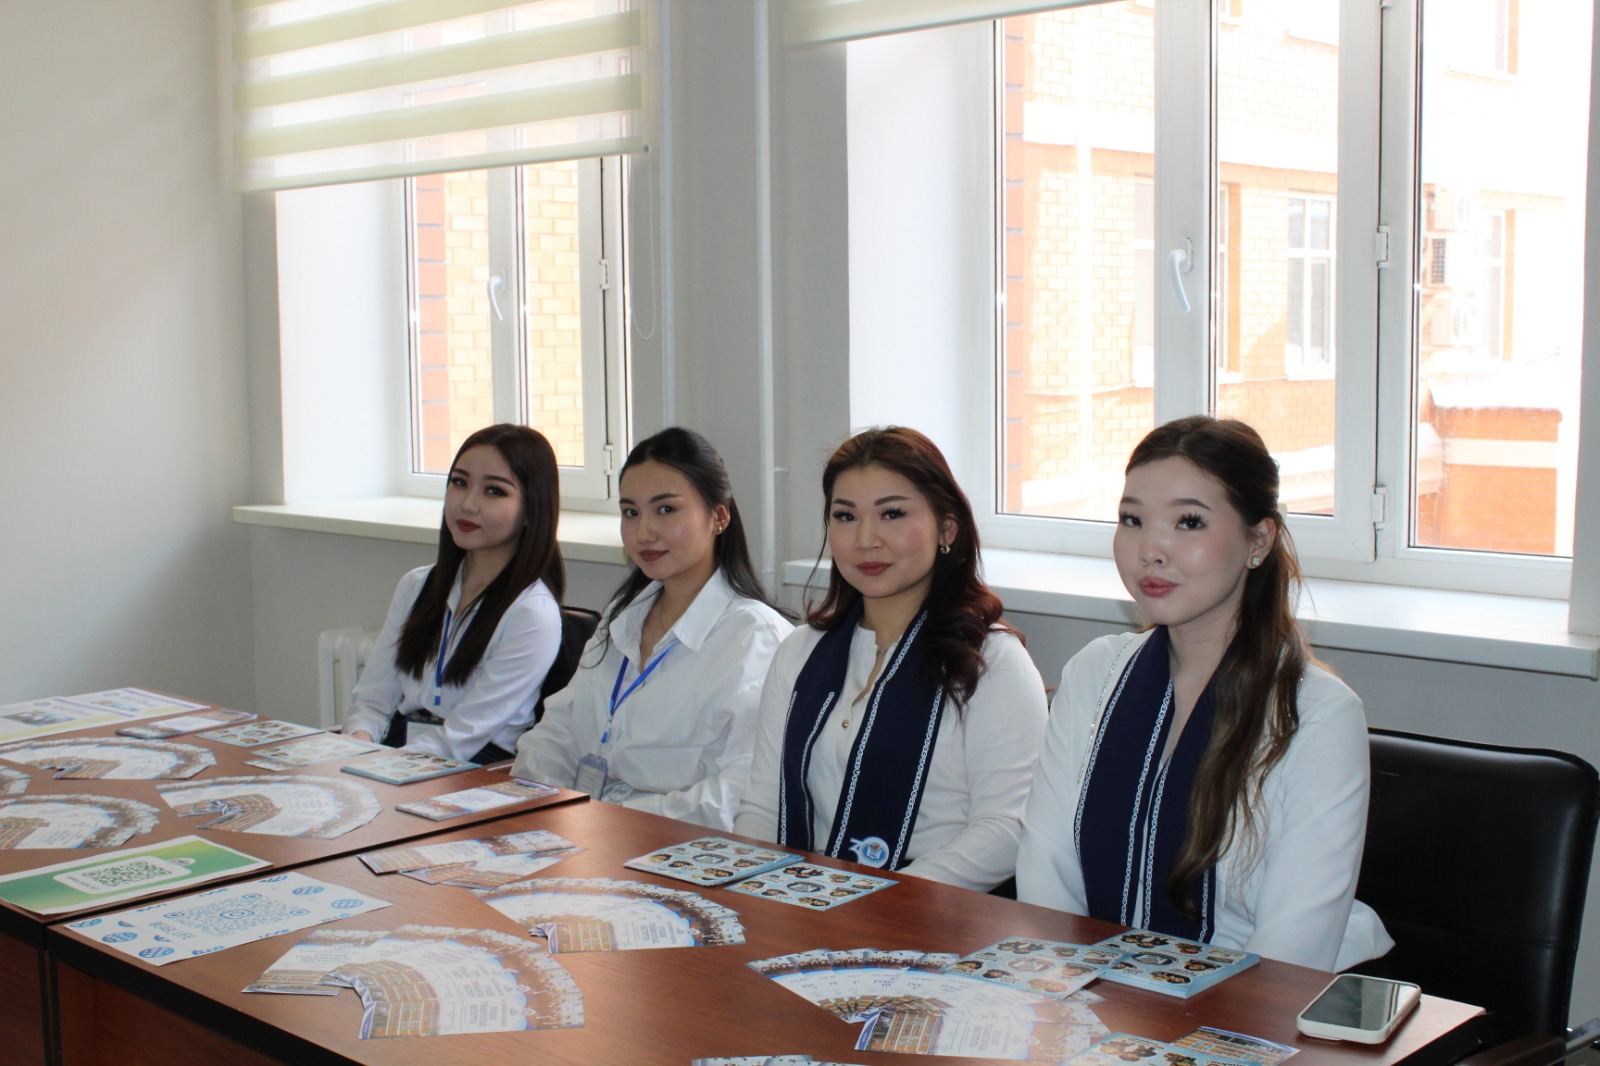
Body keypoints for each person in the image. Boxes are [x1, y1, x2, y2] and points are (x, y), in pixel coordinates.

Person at [1016, 415, 1392, 971]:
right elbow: (1046, 872)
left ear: (1259, 540)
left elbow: (1290, 957)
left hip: (1251, 1006)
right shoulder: (1094, 674)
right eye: (1132, 519)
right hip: (1088, 996)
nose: (1151, 550)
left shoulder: (1316, 714)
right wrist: (1069, 996)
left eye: (1189, 522)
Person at [734, 427, 1047, 891]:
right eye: (845, 516)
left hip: (932, 911)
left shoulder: (992, 661)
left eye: (892, 514)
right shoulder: (799, 652)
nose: (866, 539)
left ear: (947, 528)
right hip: (807, 903)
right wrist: (750, 892)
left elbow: (1006, 830)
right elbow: (764, 806)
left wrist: (878, 902)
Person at [513, 427, 791, 829]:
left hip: (675, 845)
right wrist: (546, 810)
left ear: (719, 516)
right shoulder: (622, 617)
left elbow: (736, 796)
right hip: (584, 832)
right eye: (631, 512)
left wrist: (605, 822)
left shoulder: (754, 638)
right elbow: (554, 737)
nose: (643, 532)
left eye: (666, 510)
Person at [344, 424, 566, 764]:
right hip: (400, 751)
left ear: (531, 510)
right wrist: (357, 744)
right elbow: (373, 699)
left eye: (494, 491)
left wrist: (381, 767)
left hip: (475, 766)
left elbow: (463, 736)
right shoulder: (416, 585)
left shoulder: (532, 613)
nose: (468, 504)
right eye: (459, 483)